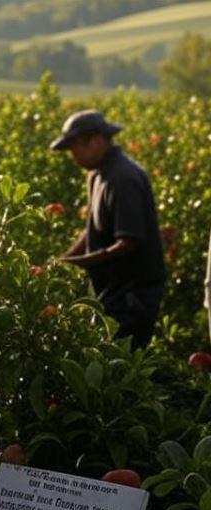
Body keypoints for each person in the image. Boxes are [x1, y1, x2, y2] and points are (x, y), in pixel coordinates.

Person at [51, 109, 165, 350]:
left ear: (95, 140)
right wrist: (63, 262)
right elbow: (91, 230)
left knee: (121, 367)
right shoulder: (97, 175)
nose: (73, 157)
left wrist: (84, 262)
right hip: (112, 295)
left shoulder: (123, 178)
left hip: (132, 299)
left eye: (75, 149)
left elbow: (127, 242)